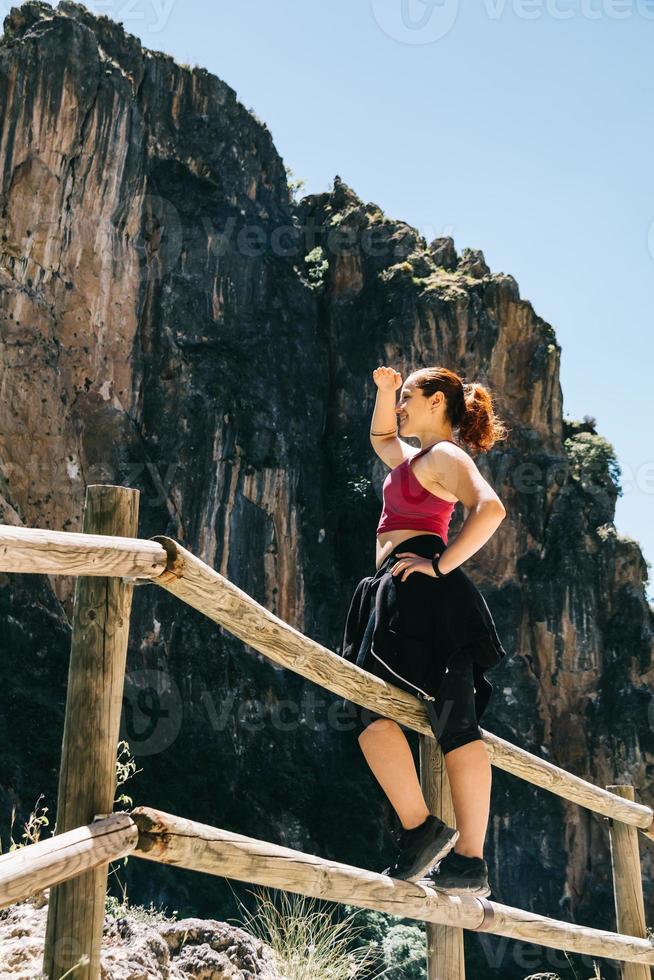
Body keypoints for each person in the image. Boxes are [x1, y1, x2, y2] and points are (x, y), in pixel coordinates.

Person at [338, 364, 510, 897]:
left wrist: (441, 566)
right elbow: (381, 436)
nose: (400, 408)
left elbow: (491, 508)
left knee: (450, 723)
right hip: (397, 589)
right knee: (377, 712)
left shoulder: (445, 456)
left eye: (409, 396)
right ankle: (433, 838)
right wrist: (386, 391)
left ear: (438, 401)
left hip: (423, 590)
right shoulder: (413, 459)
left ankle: (451, 846)